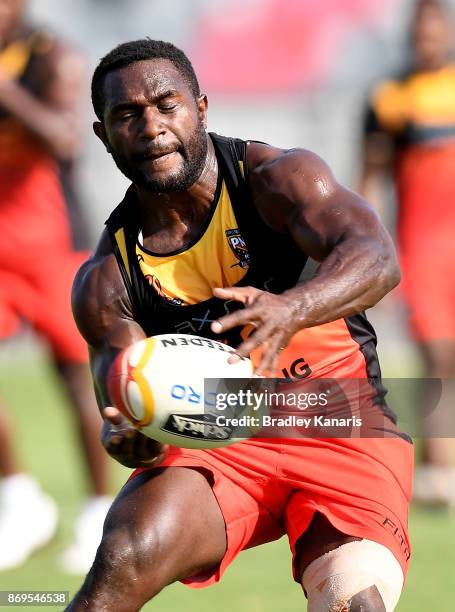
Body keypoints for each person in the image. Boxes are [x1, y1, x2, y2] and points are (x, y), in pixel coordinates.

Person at [68, 39, 413, 611]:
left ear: (200, 108)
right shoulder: (107, 279)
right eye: (127, 116)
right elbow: (128, 418)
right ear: (104, 136)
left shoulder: (277, 179)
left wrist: (291, 308)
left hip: (342, 424)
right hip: (221, 444)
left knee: (356, 603)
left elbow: (378, 258)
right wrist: (132, 439)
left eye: (165, 104)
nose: (151, 127)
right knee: (123, 556)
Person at [0, 0, 111, 572]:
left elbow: (65, 138)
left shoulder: (49, 56)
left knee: (74, 379)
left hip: (49, 243)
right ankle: (20, 497)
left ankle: (98, 510)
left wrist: (6, 90)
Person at [359, 0, 455, 505]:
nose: (427, 41)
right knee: (436, 352)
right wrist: (370, 250)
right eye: (419, 33)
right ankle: (441, 469)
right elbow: (369, 178)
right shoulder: (390, 98)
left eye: (434, 32)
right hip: (421, 244)